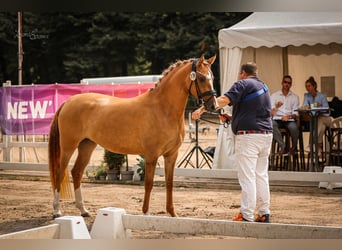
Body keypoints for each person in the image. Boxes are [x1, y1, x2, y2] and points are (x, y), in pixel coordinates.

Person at [192, 62, 273, 223]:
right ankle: (264, 213)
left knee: (247, 177)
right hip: (265, 135)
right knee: (261, 176)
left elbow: (222, 100)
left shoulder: (242, 83)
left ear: (243, 73)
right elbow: (252, 111)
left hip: (248, 137)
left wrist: (202, 109)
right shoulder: (264, 87)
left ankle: (246, 214)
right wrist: (231, 118)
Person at [270, 75, 300, 156]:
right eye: (285, 82)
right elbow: (271, 113)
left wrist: (288, 117)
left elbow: (296, 113)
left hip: (289, 119)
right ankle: (283, 146)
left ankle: (293, 147)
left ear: (291, 84)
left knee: (294, 128)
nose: (287, 84)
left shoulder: (295, 97)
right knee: (271, 124)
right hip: (277, 118)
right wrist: (276, 107)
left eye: (289, 83)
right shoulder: (274, 95)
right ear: (282, 83)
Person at [302, 76, 333, 154]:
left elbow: (327, 111)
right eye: (306, 86)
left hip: (326, 119)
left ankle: (311, 144)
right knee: (321, 127)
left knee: (320, 119)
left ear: (314, 86)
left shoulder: (322, 96)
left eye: (309, 86)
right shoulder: (306, 96)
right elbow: (304, 107)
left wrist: (316, 108)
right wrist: (315, 105)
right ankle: (319, 147)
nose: (307, 88)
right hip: (316, 120)